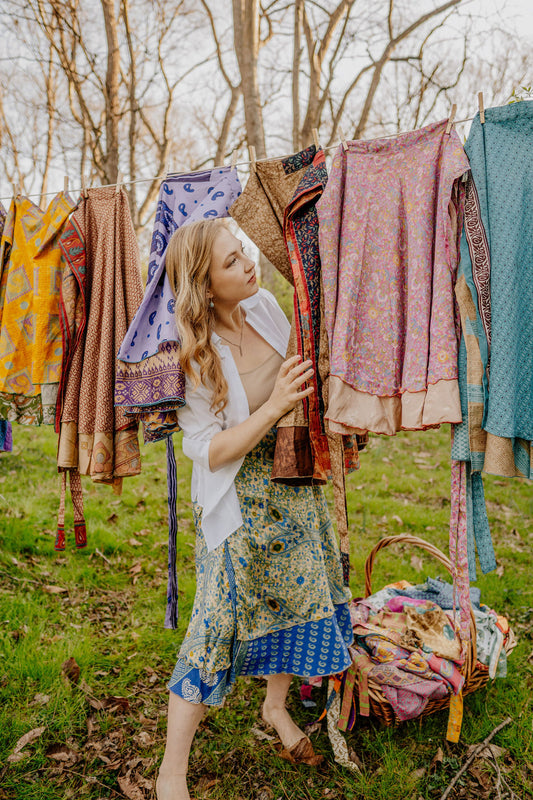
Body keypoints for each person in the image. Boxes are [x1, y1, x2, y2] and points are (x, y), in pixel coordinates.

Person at [156, 219, 353, 800]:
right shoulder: (192, 355)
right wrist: (273, 406)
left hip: (292, 483)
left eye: (242, 251)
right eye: (230, 261)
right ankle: (171, 773)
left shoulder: (266, 305)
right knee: (213, 630)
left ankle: (276, 710)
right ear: (204, 285)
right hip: (238, 503)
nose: (247, 262)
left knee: (296, 603)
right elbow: (208, 451)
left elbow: (296, 385)